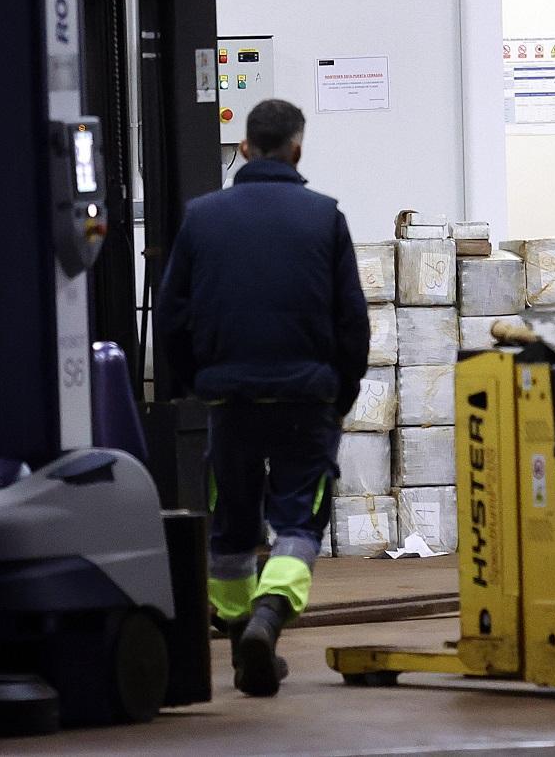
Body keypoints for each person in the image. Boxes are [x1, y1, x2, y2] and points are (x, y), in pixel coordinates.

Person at [157, 99, 369, 696]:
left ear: (245, 148)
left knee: (231, 527)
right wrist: (340, 393)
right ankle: (269, 620)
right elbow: (352, 322)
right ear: (296, 149)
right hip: (308, 401)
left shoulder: (202, 217)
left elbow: (171, 317)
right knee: (298, 519)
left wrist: (197, 384)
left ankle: (239, 635)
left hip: (230, 404)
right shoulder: (325, 218)